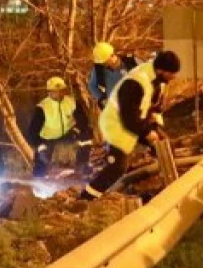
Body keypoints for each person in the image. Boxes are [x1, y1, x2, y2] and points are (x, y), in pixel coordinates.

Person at [81, 50, 181, 199]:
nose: (174, 77)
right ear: (161, 70)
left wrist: (153, 118)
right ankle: (87, 198)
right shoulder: (137, 82)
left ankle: (170, 185)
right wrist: (147, 132)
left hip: (134, 120)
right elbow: (128, 117)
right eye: (171, 73)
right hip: (117, 125)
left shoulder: (154, 77)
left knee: (163, 143)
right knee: (117, 167)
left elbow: (149, 103)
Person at [27, 76, 90, 176]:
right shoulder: (42, 107)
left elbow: (83, 120)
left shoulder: (72, 102)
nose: (59, 93)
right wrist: (40, 147)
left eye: (61, 90)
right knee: (41, 161)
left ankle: (83, 166)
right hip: (47, 139)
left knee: (87, 134)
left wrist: (76, 130)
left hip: (68, 135)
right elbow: (32, 132)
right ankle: (40, 182)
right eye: (55, 91)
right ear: (49, 92)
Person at [89, 41, 139, 108]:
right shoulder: (98, 70)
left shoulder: (130, 62)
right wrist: (102, 98)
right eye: (102, 62)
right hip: (118, 107)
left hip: (138, 100)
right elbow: (92, 86)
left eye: (105, 61)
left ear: (112, 55)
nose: (103, 64)